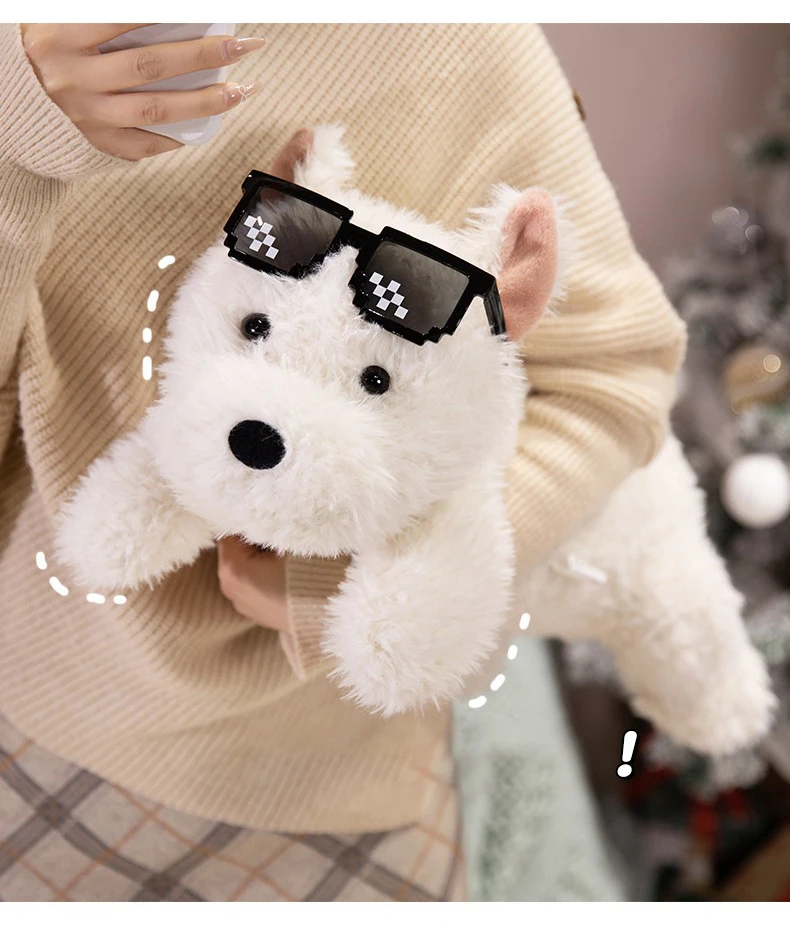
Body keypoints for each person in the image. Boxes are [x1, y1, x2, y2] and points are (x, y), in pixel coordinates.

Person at [0, 23, 686, 901]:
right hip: (29, 699)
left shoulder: (460, 43)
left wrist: (382, 575)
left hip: (315, 781)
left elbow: (614, 372)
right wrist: (17, 139)